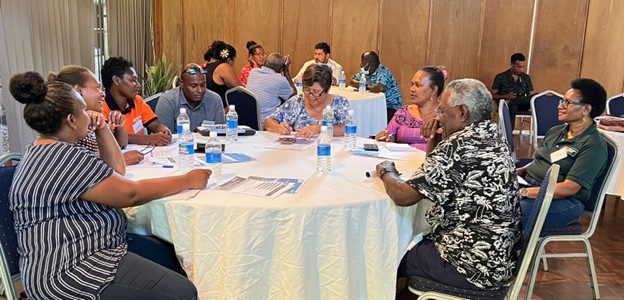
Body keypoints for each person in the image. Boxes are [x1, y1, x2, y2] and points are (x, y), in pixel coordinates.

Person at [9, 71, 209, 299]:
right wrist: (188, 179)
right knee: (182, 291)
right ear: (72, 121)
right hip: (70, 270)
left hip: (90, 249)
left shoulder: (47, 147)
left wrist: (102, 128)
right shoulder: (64, 157)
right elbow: (130, 194)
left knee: (172, 256)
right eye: (84, 110)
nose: (91, 114)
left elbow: (116, 170)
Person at [376, 78, 522, 291]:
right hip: (498, 261)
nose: (438, 118)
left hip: (467, 266)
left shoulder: (459, 145)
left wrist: (386, 171)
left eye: (442, 112)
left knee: (384, 249)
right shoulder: (492, 133)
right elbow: (434, 177)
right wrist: (435, 139)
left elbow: (403, 196)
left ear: (462, 112)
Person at [516, 78, 607, 229]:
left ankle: (514, 251)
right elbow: (543, 159)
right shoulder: (556, 131)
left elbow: (569, 188)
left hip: (562, 200)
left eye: (568, 103)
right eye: (561, 101)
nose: (561, 106)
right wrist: (521, 171)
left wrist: (524, 192)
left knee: (507, 211)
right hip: (532, 187)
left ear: (586, 109)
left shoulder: (593, 145)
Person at [53, 65, 144, 166]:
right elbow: (84, 165)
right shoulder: (75, 125)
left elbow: (121, 144)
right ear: (78, 91)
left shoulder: (93, 117)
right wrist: (122, 160)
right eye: (97, 88)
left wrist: (120, 127)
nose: (103, 94)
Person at [264, 63, 351, 137]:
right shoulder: (297, 102)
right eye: (307, 90)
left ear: (327, 89)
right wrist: (278, 128)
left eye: (316, 92)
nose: (310, 95)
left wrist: (319, 128)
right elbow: (268, 121)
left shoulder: (339, 103)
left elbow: (348, 128)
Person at [101, 56, 172, 146]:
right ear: (116, 80)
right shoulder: (101, 106)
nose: (138, 85)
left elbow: (156, 125)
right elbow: (112, 137)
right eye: (133, 80)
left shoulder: (137, 101)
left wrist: (163, 130)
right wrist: (148, 139)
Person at [374, 66, 447, 151]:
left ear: (434, 90)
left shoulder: (445, 116)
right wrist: (386, 138)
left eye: (418, 85)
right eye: (412, 84)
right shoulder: (403, 112)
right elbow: (388, 135)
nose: (412, 89)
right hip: (401, 160)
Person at [156, 63, 226, 133]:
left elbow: (221, 134)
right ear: (181, 84)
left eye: (203, 85)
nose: (200, 90)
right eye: (193, 86)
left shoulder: (215, 100)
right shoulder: (167, 101)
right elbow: (164, 137)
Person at [350, 51, 403, 120]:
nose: (361, 65)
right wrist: (367, 85)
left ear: (370, 63)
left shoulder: (382, 71)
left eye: (363, 62)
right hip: (376, 105)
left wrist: (364, 86)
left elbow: (380, 87)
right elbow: (352, 81)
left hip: (390, 106)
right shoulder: (366, 71)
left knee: (371, 119)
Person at [246, 52, 297, 121]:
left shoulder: (253, 72)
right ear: (280, 69)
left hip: (249, 119)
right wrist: (286, 70)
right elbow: (293, 96)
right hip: (267, 121)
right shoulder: (280, 80)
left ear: (265, 62)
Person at [492, 53, 534, 129]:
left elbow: (531, 95)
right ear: (512, 64)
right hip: (505, 105)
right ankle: (509, 135)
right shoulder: (500, 77)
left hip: (523, 104)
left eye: (522, 67)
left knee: (536, 96)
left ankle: (512, 101)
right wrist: (506, 96)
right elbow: (493, 96)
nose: (521, 69)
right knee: (513, 106)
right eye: (518, 67)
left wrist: (521, 100)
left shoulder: (526, 77)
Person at [203, 40, 243, 107]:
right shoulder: (223, 67)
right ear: (229, 60)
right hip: (221, 109)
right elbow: (240, 90)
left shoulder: (207, 66)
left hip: (208, 107)